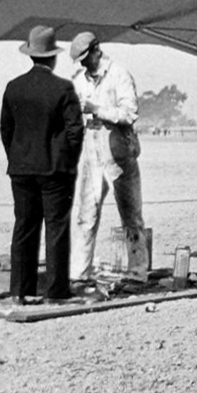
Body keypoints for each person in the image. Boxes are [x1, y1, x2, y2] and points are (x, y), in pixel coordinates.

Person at [0, 26, 84, 302]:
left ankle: (19, 292)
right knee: (56, 229)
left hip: (21, 169)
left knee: (24, 227)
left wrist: (17, 158)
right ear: (53, 57)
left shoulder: (14, 88)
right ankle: (54, 293)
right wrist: (67, 162)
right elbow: (75, 131)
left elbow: (6, 130)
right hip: (55, 171)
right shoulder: (63, 88)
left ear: (31, 55)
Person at [68, 31, 146, 284]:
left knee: (131, 216)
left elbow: (130, 113)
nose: (82, 63)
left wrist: (97, 110)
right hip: (91, 154)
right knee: (85, 216)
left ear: (96, 50)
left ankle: (137, 273)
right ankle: (79, 274)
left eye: (84, 57)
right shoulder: (79, 80)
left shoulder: (119, 75)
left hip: (119, 154)